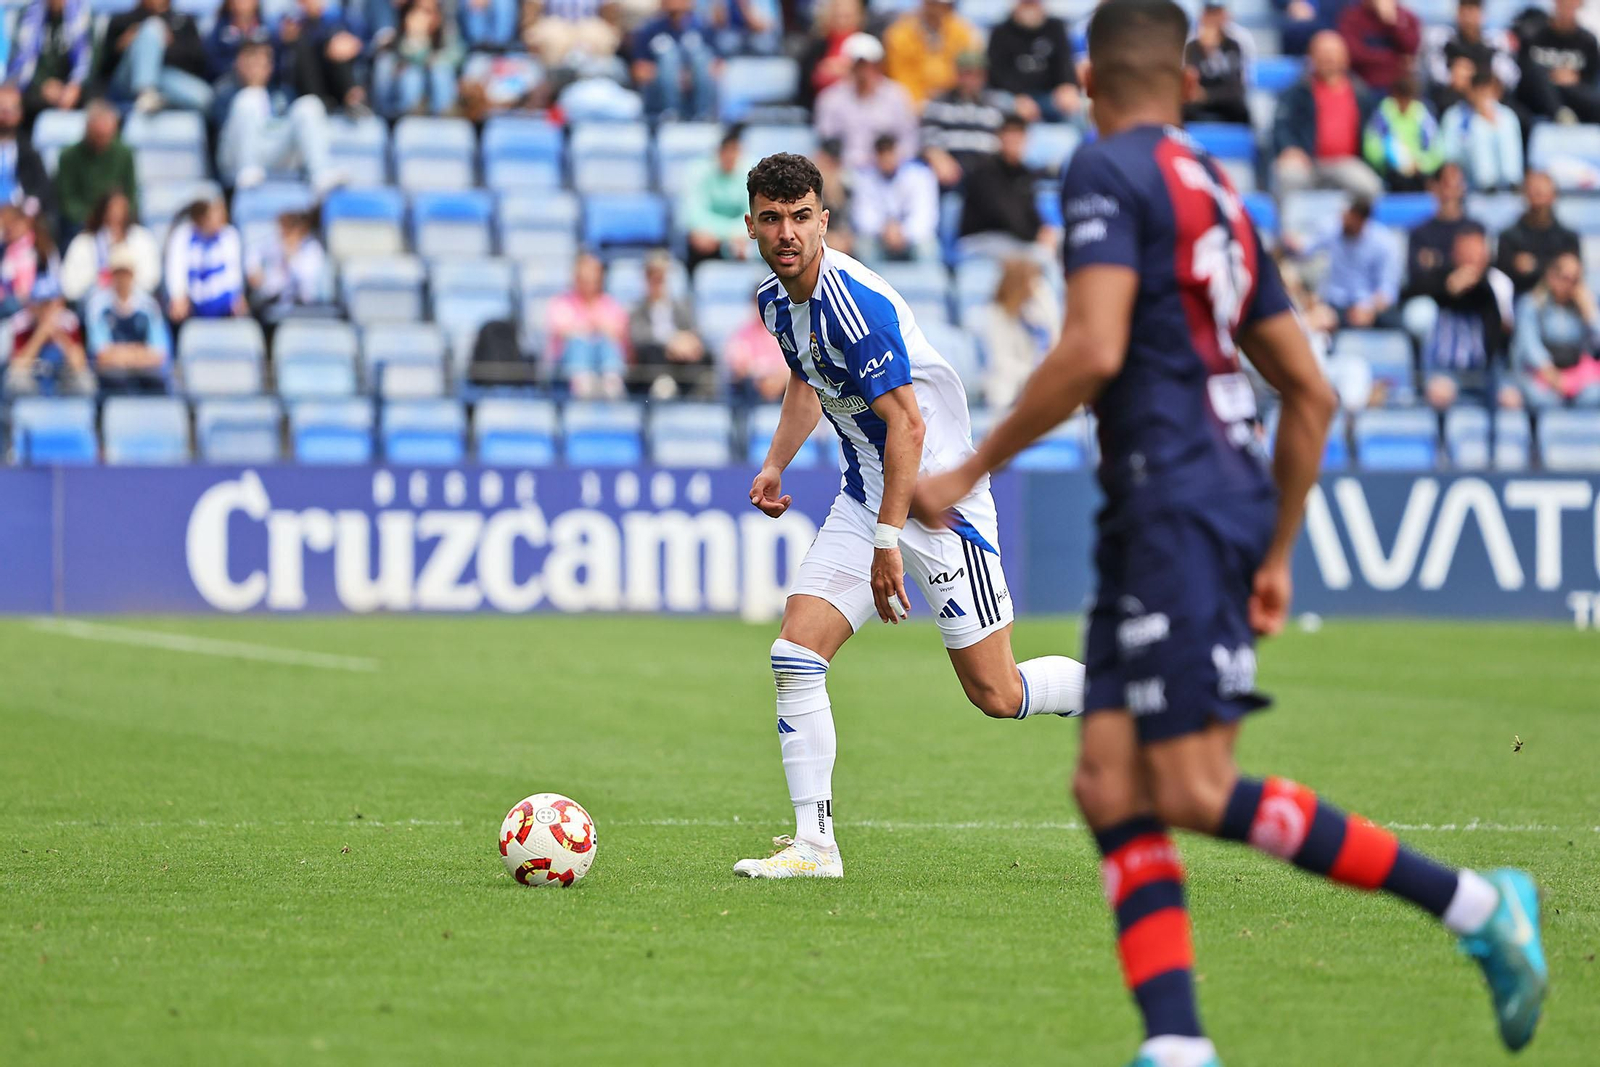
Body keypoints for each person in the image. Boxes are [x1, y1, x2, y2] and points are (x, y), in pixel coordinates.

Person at [910, 4, 1547, 1065]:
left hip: (1175, 497)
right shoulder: (1217, 192)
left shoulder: (1104, 170)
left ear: (1085, 73)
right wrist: (1280, 546)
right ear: (1188, 77)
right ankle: (1176, 1043)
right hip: (1193, 501)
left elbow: (1093, 343)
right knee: (1107, 782)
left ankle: (1479, 906)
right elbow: (1307, 390)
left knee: (1192, 789)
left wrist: (969, 466)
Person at [733, 151, 1087, 881]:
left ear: (824, 222)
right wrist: (775, 463)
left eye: (801, 217)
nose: (787, 232)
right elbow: (809, 381)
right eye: (773, 218)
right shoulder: (775, 300)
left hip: (938, 506)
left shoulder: (852, 305)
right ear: (752, 226)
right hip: (869, 495)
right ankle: (815, 846)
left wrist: (890, 540)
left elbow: (911, 428)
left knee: (999, 692)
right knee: (796, 656)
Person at [1273, 31, 1383, 199]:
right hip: (1307, 162)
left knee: (1370, 186)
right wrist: (1290, 148)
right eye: (1323, 53)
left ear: (1345, 58)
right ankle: (1287, 226)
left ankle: (1355, 225)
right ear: (1312, 57)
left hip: (1347, 163)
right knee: (1287, 176)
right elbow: (1282, 126)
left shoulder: (1361, 93)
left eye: (1333, 53)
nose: (1329, 58)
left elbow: (1373, 131)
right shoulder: (1297, 91)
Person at [218, 42, 339, 192]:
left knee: (309, 104)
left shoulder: (281, 92)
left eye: (260, 64)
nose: (255, 69)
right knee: (250, 96)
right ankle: (247, 170)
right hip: (235, 158)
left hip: (271, 151)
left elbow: (288, 125)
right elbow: (225, 133)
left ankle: (320, 173)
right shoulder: (225, 91)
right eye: (250, 63)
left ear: (269, 68)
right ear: (239, 64)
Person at [1420, 222, 1516, 410]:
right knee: (1439, 393)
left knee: (1510, 399)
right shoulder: (1440, 277)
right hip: (1445, 367)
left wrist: (1479, 287)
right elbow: (1411, 294)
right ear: (1454, 253)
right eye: (1465, 250)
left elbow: (1503, 332)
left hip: (1485, 368)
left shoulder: (1499, 283)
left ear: (1487, 253)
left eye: (1476, 250)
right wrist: (1449, 291)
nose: (1471, 257)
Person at [957, 114, 1058, 263]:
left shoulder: (1025, 173)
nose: (1014, 141)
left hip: (1014, 240)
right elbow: (1003, 214)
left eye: (1019, 136)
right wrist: (1035, 236)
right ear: (1000, 137)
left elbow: (1030, 212)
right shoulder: (984, 171)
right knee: (1041, 257)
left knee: (1057, 242)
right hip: (982, 239)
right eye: (1010, 135)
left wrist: (1044, 230)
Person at [813, 33, 918, 174]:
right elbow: (826, 142)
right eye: (858, 64)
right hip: (846, 171)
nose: (864, 70)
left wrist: (894, 158)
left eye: (869, 64)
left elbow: (909, 139)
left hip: (889, 170)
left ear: (879, 65)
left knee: (920, 176)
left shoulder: (896, 95)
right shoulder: (830, 99)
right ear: (849, 65)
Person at [1294, 197, 1400, 327]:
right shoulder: (1333, 229)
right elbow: (1305, 249)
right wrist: (1292, 244)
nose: (1343, 219)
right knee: (1313, 321)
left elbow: (1387, 290)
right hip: (1334, 305)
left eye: (1349, 217)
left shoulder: (1383, 242)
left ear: (1361, 219)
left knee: (1392, 322)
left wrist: (1369, 308)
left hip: (1368, 305)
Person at [1512, 251, 1600, 407]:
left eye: (1576, 280)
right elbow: (1529, 345)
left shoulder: (1584, 306)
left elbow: (1595, 346)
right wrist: (1552, 376)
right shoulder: (1532, 304)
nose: (1571, 285)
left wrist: (1590, 315)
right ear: (1551, 276)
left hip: (1577, 373)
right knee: (1539, 398)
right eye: (1566, 278)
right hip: (1542, 374)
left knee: (1593, 394)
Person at [84, 244, 172, 395]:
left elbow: (159, 353)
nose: (122, 279)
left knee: (156, 381)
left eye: (126, 273)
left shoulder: (149, 306)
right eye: (118, 273)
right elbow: (102, 355)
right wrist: (137, 352)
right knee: (115, 380)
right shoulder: (98, 306)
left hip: (143, 370)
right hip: (114, 373)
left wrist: (122, 355)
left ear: (133, 274)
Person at [921, 51, 1016, 189]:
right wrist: (937, 157)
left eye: (978, 74)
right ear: (958, 74)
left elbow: (1010, 137)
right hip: (951, 175)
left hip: (988, 175)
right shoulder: (939, 103)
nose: (973, 79)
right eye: (967, 73)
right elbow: (927, 137)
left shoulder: (997, 105)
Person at [100, 0, 212, 113]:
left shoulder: (183, 20)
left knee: (205, 98)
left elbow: (197, 62)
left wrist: (166, 47)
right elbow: (104, 70)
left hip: (165, 77)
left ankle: (155, 99)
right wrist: (124, 46)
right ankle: (146, 92)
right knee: (152, 26)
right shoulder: (122, 20)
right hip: (127, 79)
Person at [547, 252, 629, 399]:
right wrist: (589, 329)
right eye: (584, 278)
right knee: (579, 342)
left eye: (592, 277)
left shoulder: (610, 303)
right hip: (568, 365)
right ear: (576, 277)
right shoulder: (562, 302)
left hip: (603, 360)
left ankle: (612, 383)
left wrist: (597, 329)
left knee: (606, 342)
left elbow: (618, 334)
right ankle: (583, 383)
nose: (589, 282)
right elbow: (561, 331)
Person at [628, 250, 710, 398]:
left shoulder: (682, 307)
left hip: (682, 361)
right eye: (654, 278)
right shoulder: (637, 310)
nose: (659, 283)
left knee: (706, 356)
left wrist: (686, 342)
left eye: (662, 278)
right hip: (656, 360)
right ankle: (664, 387)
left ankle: (699, 396)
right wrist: (670, 342)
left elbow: (693, 331)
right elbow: (638, 337)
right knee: (651, 352)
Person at [982, 256, 1059, 408]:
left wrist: (1043, 301)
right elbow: (1002, 362)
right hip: (1012, 384)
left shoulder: (1038, 306)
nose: (1036, 288)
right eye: (1032, 282)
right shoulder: (996, 314)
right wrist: (1034, 373)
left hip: (1043, 378)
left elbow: (1055, 340)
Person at [986, 0, 1081, 122]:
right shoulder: (1000, 31)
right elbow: (996, 72)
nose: (1030, 7)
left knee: (1075, 110)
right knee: (999, 103)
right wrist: (1019, 97)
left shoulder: (1055, 27)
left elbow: (1064, 61)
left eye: (1034, 3)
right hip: (1012, 96)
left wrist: (1066, 85)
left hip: (1049, 95)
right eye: (1026, 3)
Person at [852, 134, 940, 263]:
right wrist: (884, 230)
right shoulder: (864, 178)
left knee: (928, 247)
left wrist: (903, 232)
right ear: (876, 156)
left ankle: (926, 283)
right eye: (882, 154)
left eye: (890, 153)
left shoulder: (921, 175)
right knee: (863, 246)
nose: (887, 159)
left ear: (899, 153)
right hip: (880, 238)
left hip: (912, 238)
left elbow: (926, 217)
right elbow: (863, 217)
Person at [60, 190, 161, 302]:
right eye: (112, 210)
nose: (116, 215)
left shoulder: (142, 239)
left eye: (121, 210)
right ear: (103, 212)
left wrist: (124, 284)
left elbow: (151, 279)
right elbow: (70, 286)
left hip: (135, 303)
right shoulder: (84, 243)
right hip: (94, 303)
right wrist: (98, 282)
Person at [55, 102, 138, 236]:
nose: (103, 141)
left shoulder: (124, 154)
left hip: (117, 217)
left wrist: (119, 215)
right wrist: (91, 219)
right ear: (88, 130)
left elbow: (131, 193)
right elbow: (67, 200)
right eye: (99, 136)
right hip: (82, 221)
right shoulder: (69, 156)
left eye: (107, 136)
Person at [2, 274, 93, 397]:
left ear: (60, 303)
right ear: (32, 305)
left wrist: (58, 335)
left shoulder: (69, 322)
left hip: (63, 379)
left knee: (85, 382)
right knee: (16, 381)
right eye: (41, 304)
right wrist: (41, 335)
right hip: (33, 382)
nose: (45, 310)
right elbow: (17, 367)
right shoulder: (21, 324)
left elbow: (79, 364)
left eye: (49, 304)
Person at [627, 0, 719, 120]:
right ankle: (671, 113)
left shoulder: (704, 28)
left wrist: (690, 76)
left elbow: (718, 67)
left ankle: (703, 115)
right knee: (668, 57)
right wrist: (668, 74)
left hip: (695, 87)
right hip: (660, 91)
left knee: (700, 57)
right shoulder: (649, 30)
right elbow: (639, 71)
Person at [1422, 0, 1518, 114]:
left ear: (1481, 14)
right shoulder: (1444, 41)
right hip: (1453, 103)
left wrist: (1477, 79)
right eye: (1464, 10)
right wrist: (1452, 79)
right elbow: (1437, 74)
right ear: (1458, 13)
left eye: (1472, 10)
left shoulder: (1494, 44)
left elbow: (1510, 77)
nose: (1468, 17)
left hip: (1489, 103)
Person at [1495, 170, 1580, 297]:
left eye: (1542, 192)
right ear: (1525, 195)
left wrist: (1535, 266)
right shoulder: (1509, 237)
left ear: (1553, 195)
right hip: (1520, 298)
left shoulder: (1568, 238)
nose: (1538, 196)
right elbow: (1502, 277)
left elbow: (1573, 275)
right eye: (1534, 191)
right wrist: (1556, 268)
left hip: (1560, 300)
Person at [373, 0, 463, 117]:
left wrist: (435, 59)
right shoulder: (403, 31)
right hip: (407, 76)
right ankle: (408, 114)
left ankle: (444, 115)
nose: (422, 17)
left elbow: (458, 54)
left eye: (428, 12)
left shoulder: (447, 28)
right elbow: (402, 53)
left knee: (441, 72)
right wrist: (418, 38)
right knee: (411, 76)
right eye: (418, 11)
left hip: (436, 74)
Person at [883, 0, 981, 107]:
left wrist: (947, 98)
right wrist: (922, 105)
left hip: (953, 103)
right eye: (934, 3)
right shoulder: (900, 34)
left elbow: (968, 73)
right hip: (913, 107)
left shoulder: (961, 31)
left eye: (942, 5)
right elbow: (902, 80)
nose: (938, 8)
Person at [278, 0, 369, 114]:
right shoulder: (292, 17)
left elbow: (364, 39)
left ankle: (354, 101)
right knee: (301, 47)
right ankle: (317, 105)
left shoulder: (339, 14)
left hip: (338, 72)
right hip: (311, 85)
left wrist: (355, 44)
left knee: (337, 43)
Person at [681, 126, 753, 269]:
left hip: (741, 238)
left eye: (735, 150)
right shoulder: (697, 172)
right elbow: (694, 214)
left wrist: (731, 236)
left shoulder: (751, 172)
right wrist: (725, 236)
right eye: (726, 150)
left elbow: (754, 213)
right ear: (718, 151)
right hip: (708, 238)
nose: (730, 156)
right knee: (698, 240)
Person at [165, 197, 247, 323]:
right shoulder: (183, 235)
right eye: (215, 213)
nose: (222, 217)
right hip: (193, 302)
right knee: (175, 311)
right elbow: (176, 268)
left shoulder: (230, 235)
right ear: (202, 217)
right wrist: (178, 295)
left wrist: (236, 296)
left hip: (222, 301)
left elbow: (233, 270)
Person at [7, 0, 92, 120]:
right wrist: (42, 85)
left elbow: (88, 60)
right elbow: (22, 63)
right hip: (37, 88)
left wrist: (73, 87)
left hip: (72, 89)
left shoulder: (83, 17)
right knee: (19, 101)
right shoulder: (28, 16)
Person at [1518, 0, 1600, 124]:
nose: (1567, 9)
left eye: (1571, 5)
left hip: (1572, 94)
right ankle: (1559, 113)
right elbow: (1523, 74)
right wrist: (1550, 75)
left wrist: (1575, 79)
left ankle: (1564, 115)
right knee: (1538, 74)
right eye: (1564, 4)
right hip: (1538, 96)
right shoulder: (1533, 35)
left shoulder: (1588, 41)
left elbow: (1590, 83)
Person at [1440, 70, 1522, 192]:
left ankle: (1512, 183)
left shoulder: (1507, 116)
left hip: (1507, 183)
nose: (1483, 95)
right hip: (1468, 179)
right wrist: (1477, 119)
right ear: (1470, 91)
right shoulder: (1454, 115)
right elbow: (1449, 154)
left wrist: (1492, 122)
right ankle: (1487, 184)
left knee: (1503, 125)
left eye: (1487, 91)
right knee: (1479, 128)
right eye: (1479, 90)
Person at [1361, 69, 1441, 191]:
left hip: (1418, 173)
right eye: (1401, 99)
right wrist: (1390, 161)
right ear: (1395, 95)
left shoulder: (1422, 114)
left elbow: (1436, 150)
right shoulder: (1383, 113)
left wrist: (1421, 164)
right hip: (1390, 173)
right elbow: (1371, 146)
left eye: (1408, 99)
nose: (1404, 103)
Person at [246, 210, 331, 320]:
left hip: (302, 305)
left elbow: (305, 282)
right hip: (272, 301)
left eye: (288, 230)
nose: (283, 234)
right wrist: (254, 269)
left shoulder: (313, 250)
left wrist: (292, 257)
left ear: (300, 230)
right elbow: (253, 251)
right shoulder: (275, 243)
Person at [1184, 1, 1253, 126]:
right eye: (1210, 14)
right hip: (1198, 101)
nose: (1213, 19)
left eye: (1217, 14)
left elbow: (1239, 85)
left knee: (1240, 107)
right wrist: (1205, 50)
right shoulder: (1192, 45)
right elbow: (1191, 79)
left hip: (1228, 100)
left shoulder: (1237, 42)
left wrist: (1208, 95)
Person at [1338, 0, 1419, 95]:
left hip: (1400, 83)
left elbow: (1411, 47)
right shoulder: (1352, 18)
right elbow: (1354, 55)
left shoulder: (1406, 17)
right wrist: (1396, 59)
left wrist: (1393, 23)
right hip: (1365, 82)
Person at [799, 0, 865, 111]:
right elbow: (806, 83)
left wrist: (847, 70)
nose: (842, 22)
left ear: (858, 16)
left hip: (862, 108)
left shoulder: (867, 44)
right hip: (823, 110)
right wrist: (821, 73)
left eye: (847, 16)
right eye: (838, 16)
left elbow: (874, 79)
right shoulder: (817, 46)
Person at [0, 85, 54, 219]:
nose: (5, 115)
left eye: (11, 109)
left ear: (20, 114)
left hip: (17, 216)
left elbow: (42, 188)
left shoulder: (29, 152)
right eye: (1, 109)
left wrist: (30, 206)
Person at [522, 0, 622, 71]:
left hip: (589, 25)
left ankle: (596, 83)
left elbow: (611, 14)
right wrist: (530, 34)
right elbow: (531, 13)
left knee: (597, 36)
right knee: (553, 38)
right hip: (555, 24)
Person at [724, 308, 788, 400]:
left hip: (781, 386)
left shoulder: (783, 331)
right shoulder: (742, 333)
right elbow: (738, 365)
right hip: (752, 388)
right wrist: (762, 375)